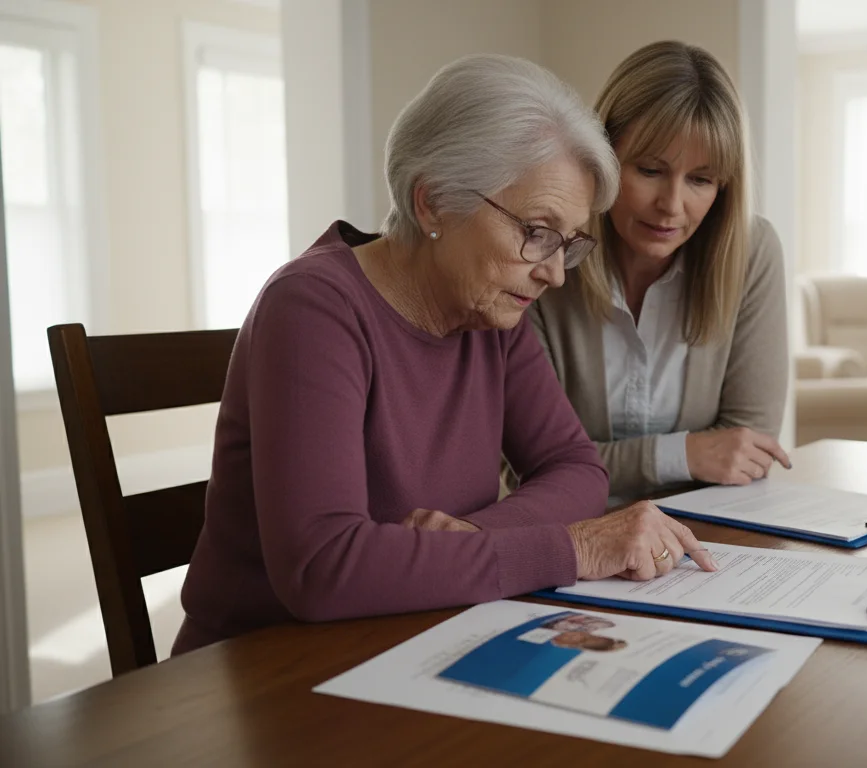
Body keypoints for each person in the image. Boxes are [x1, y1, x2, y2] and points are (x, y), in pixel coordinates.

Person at [173, 54, 717, 656]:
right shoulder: (311, 308)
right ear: (432, 202)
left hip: (422, 633)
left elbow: (577, 469)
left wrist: (467, 542)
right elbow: (322, 569)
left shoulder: (492, 310)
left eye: (569, 243)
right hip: (269, 668)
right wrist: (577, 548)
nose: (555, 274)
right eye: (536, 231)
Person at [528, 41, 791, 502]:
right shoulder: (546, 254)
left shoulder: (752, 253)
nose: (671, 206)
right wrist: (684, 455)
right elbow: (534, 465)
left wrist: (602, 461)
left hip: (709, 539)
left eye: (700, 180)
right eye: (650, 170)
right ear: (602, 156)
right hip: (576, 538)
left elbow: (747, 450)